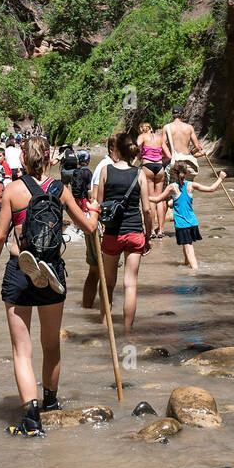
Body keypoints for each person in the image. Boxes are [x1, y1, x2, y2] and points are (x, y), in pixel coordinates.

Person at [0, 136, 100, 437]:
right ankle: (51, 402)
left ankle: (32, 418)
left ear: (23, 159)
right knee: (51, 344)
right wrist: (96, 211)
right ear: (49, 158)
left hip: (19, 271)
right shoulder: (60, 190)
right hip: (53, 270)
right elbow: (88, 227)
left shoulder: (13, 190)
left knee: (21, 351)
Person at [95, 131, 152, 334]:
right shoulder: (139, 174)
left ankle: (105, 326)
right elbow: (146, 209)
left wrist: (97, 226)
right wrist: (149, 234)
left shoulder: (106, 171)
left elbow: (99, 204)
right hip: (135, 233)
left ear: (116, 150)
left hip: (112, 234)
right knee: (130, 285)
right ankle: (128, 330)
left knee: (108, 283)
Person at [150, 164, 225, 270]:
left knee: (189, 249)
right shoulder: (191, 185)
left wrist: (142, 195)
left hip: (182, 224)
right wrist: (220, 178)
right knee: (186, 246)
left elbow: (157, 199)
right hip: (193, 222)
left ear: (174, 174)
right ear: (186, 173)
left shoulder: (172, 187)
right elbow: (211, 188)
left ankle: (195, 273)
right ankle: (186, 266)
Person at [82, 137, 118, 309]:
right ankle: (102, 314)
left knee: (95, 271)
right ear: (112, 149)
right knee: (102, 272)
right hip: (98, 223)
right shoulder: (105, 167)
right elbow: (95, 196)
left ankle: (87, 309)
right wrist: (101, 221)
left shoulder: (108, 166)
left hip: (95, 221)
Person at [137, 123, 167, 239]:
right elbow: (168, 155)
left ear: (142, 130)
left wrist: (140, 156)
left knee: (150, 198)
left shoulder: (142, 137)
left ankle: (152, 230)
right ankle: (161, 230)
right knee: (159, 198)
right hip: (160, 167)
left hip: (147, 166)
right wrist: (159, 159)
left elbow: (135, 147)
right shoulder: (159, 138)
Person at [161, 106, 204, 179]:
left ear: (172, 115)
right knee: (187, 187)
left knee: (173, 188)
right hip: (187, 162)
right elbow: (197, 146)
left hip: (174, 161)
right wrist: (193, 153)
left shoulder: (167, 127)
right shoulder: (189, 127)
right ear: (182, 115)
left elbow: (162, 145)